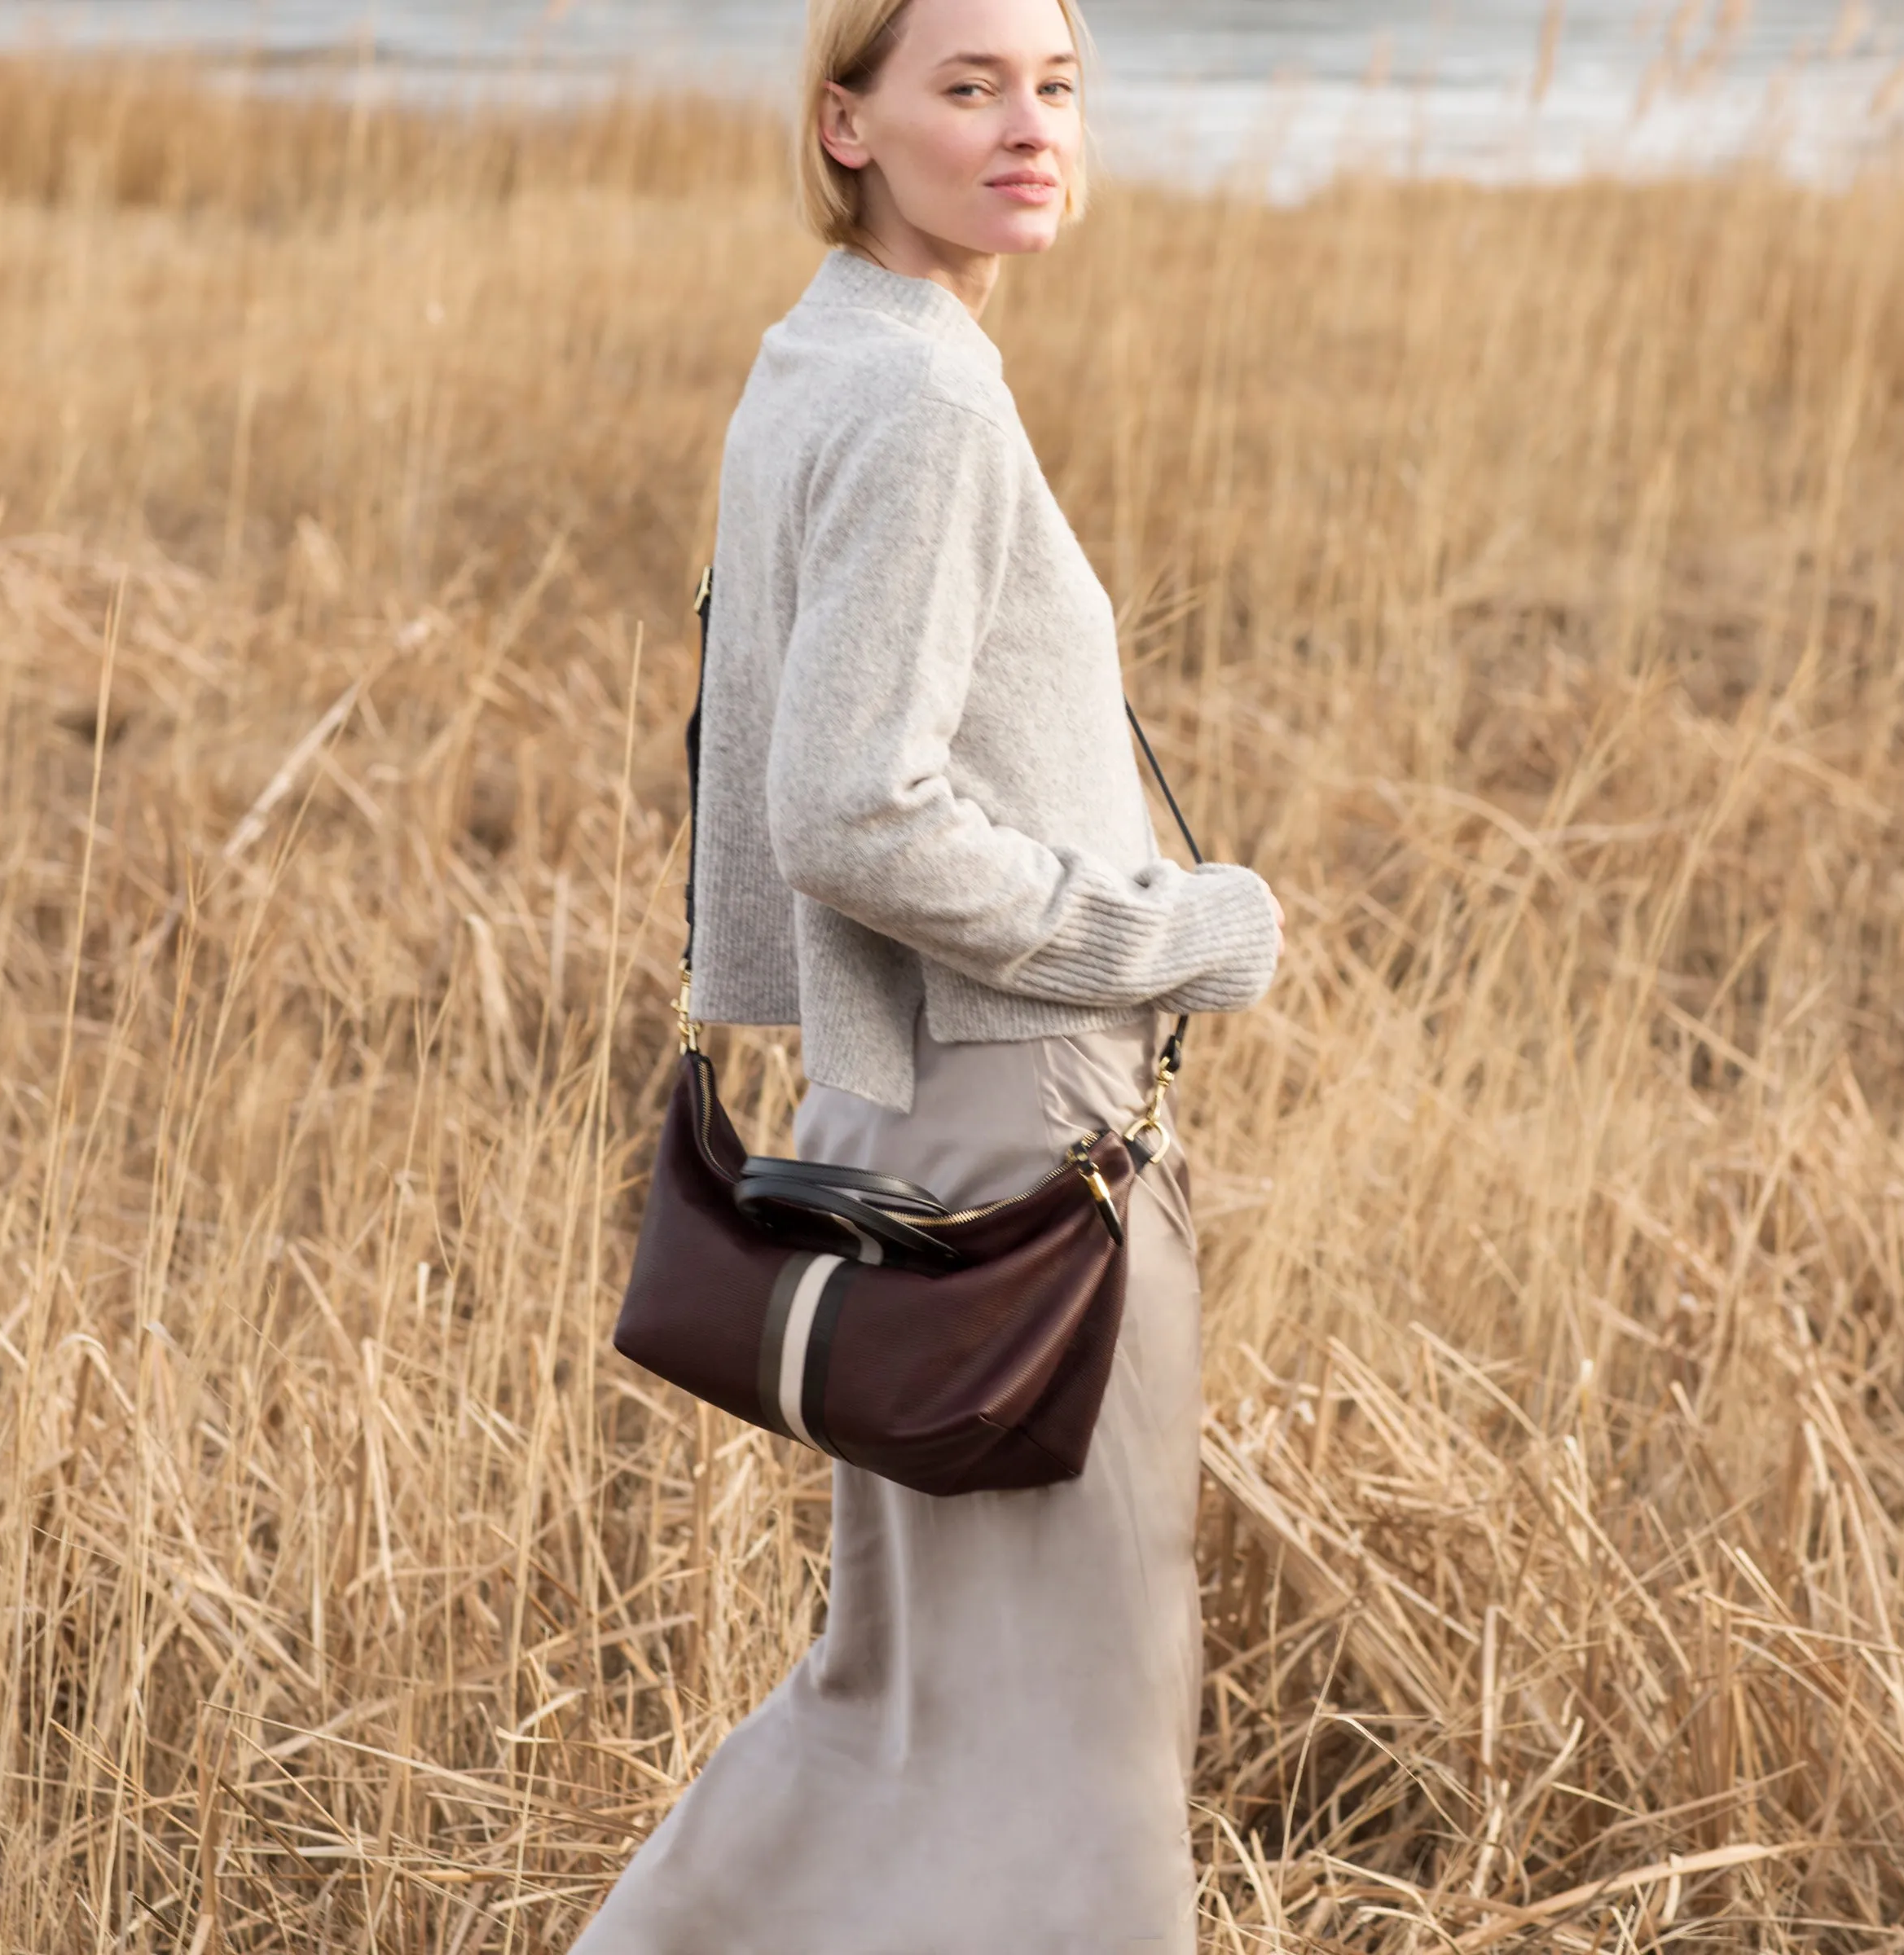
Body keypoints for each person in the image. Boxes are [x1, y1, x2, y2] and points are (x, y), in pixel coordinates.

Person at [571, 0, 1286, 1944]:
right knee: (1081, 1723)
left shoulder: (831, 351)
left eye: (1055, 85)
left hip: (897, 1098)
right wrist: (1178, 933)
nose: (1030, 126)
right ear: (849, 121)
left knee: (902, 1693)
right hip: (1016, 1116)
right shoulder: (925, 400)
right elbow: (847, 812)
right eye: (967, 86)